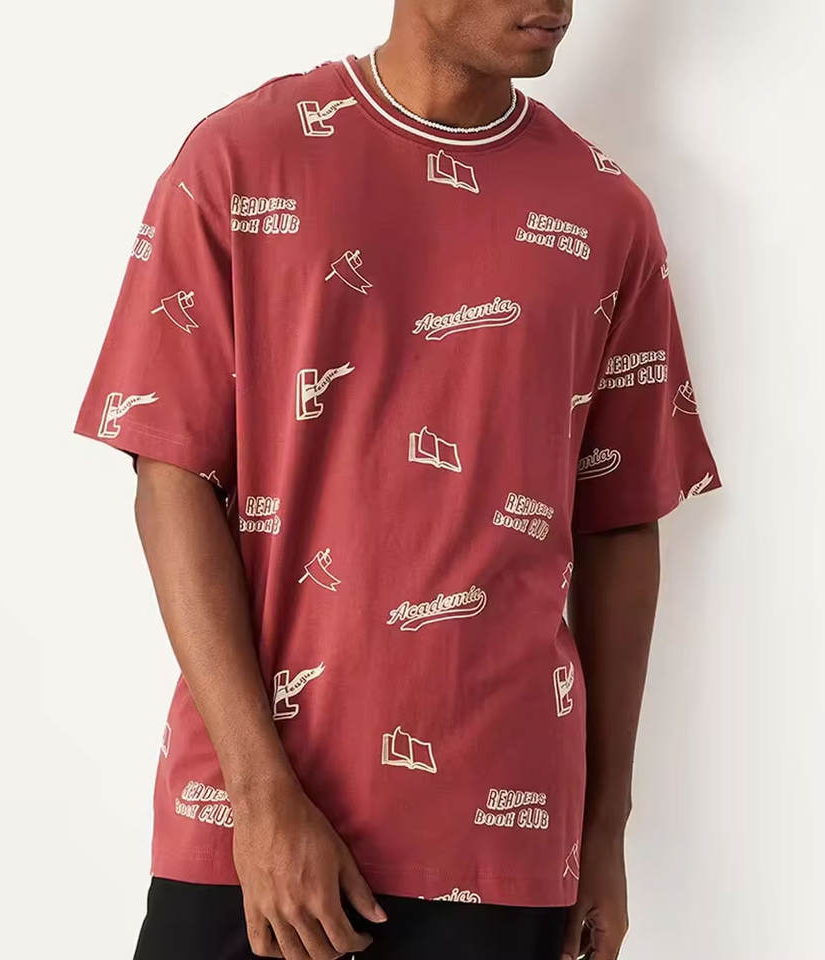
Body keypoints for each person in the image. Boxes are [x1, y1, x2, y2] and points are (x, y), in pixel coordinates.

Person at [73, 2, 722, 958]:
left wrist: (603, 830)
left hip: (501, 835)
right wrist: (261, 798)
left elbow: (620, 519)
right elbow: (170, 475)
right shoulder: (242, 159)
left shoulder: (606, 211)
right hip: (246, 833)